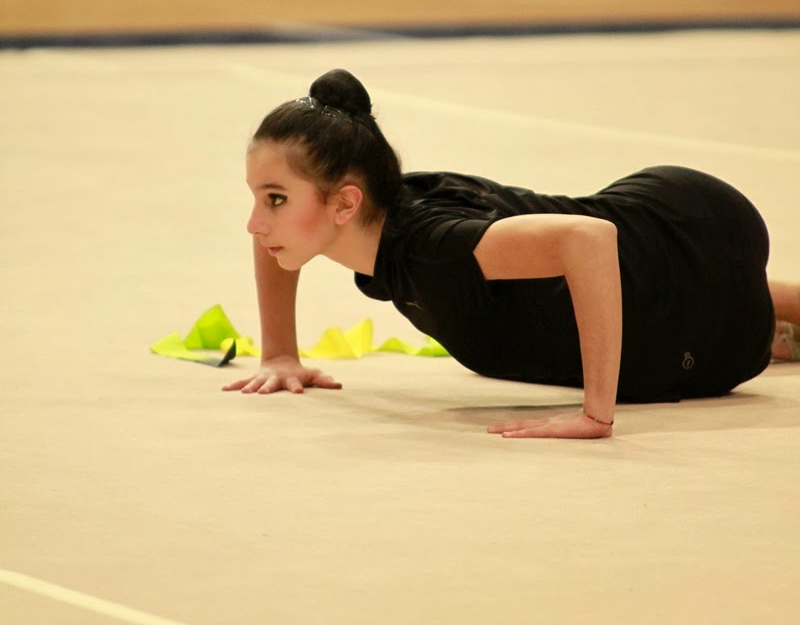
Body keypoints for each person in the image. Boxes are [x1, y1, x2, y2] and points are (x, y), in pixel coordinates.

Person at [223, 68, 800, 439]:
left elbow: (589, 240)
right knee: (725, 294)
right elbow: (273, 238)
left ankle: (760, 322)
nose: (256, 222)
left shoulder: (432, 248)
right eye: (259, 196)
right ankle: (770, 318)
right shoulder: (369, 209)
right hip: (669, 246)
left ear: (345, 203)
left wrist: (595, 415)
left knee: (722, 305)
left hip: (676, 241)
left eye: (275, 199)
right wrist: (280, 353)